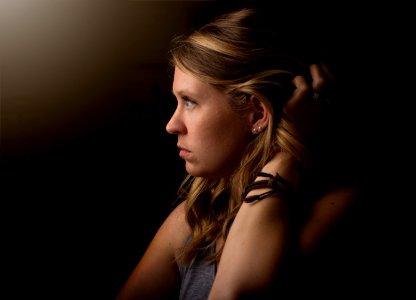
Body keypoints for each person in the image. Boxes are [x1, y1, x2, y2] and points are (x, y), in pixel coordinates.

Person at [116, 6, 359, 300]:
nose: (171, 125)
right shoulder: (196, 219)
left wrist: (287, 155)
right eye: (176, 102)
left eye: (190, 102)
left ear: (257, 113)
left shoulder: (336, 209)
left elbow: (232, 292)